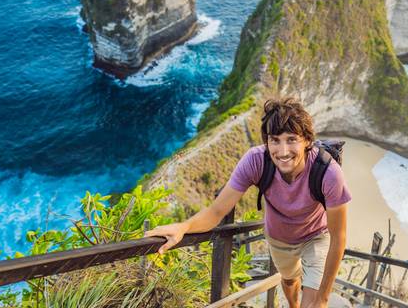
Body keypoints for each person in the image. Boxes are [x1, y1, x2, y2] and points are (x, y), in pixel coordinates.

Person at [145, 97, 351, 308]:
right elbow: (217, 212)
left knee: (313, 303)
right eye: (275, 140)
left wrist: (323, 299)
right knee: (289, 280)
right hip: (280, 238)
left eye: (291, 139)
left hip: (316, 235)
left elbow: (339, 237)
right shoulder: (256, 161)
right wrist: (183, 227)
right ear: (267, 141)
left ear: (307, 141)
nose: (282, 151)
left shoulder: (328, 172)